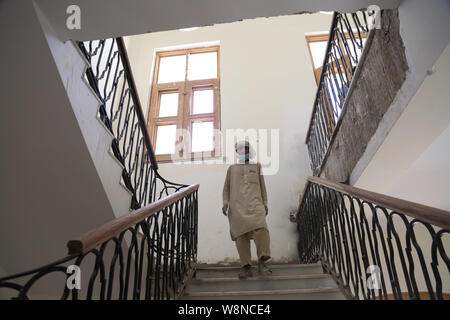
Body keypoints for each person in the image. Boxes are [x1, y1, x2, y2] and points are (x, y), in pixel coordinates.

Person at [222, 141, 272, 279]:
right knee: (240, 236)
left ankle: (262, 263)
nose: (242, 152)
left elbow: (263, 187)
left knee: (262, 230)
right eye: (239, 150)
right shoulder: (232, 169)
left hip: (255, 205)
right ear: (237, 152)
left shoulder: (257, 166)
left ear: (249, 150)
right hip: (237, 207)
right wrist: (225, 203)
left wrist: (265, 203)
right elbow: (226, 188)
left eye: (245, 149)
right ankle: (246, 267)